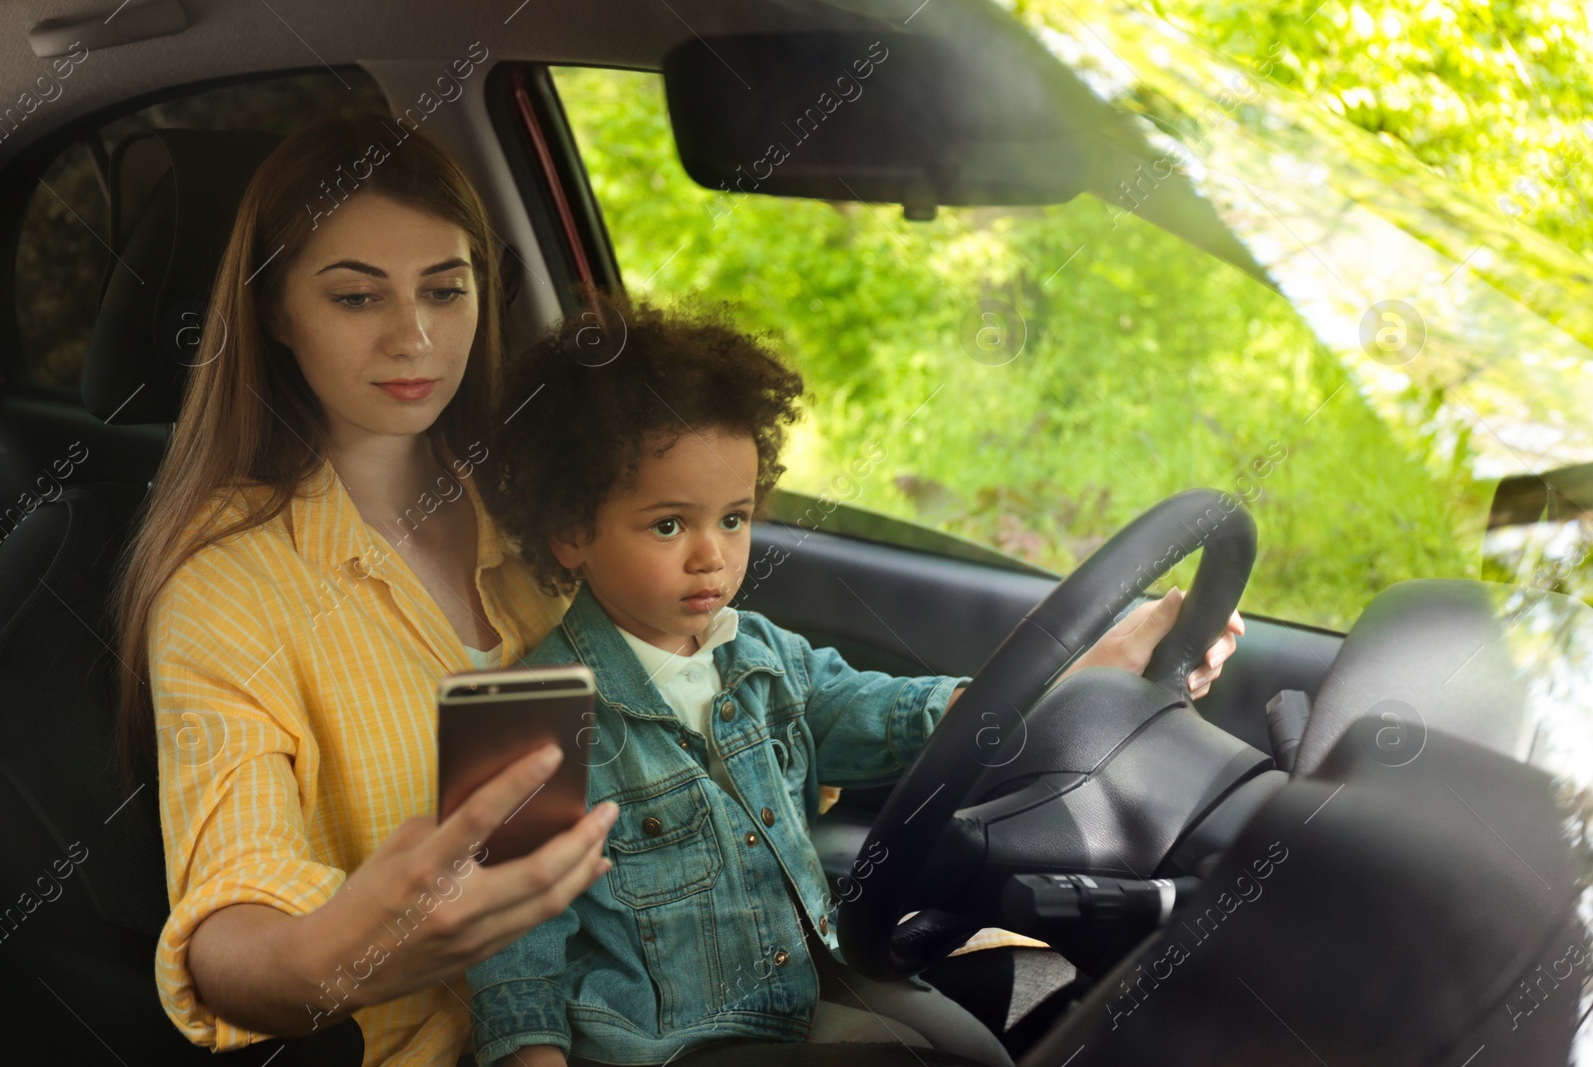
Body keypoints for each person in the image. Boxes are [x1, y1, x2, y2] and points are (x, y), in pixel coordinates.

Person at [466, 295, 1244, 1067]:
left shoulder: (764, 654)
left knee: (1053, 990)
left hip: (809, 974)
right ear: (571, 530)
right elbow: (511, 949)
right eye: (669, 524)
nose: (712, 555)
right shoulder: (530, 718)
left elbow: (906, 718)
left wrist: (1095, 670)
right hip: (674, 1044)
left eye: (733, 518)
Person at [113, 113, 618, 1066]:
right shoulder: (227, 582)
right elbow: (227, 933)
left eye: (445, 289)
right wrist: (353, 949)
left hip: (655, 999)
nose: (414, 337)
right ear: (275, 312)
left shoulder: (549, 509)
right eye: (356, 298)